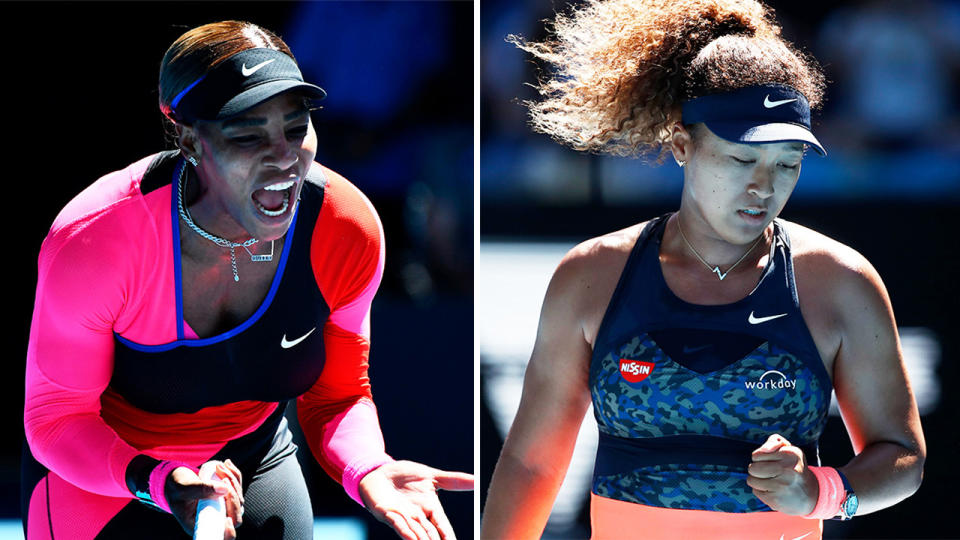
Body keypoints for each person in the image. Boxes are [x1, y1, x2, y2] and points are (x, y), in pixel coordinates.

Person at [480, 1, 925, 539]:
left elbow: (902, 458)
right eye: (742, 160)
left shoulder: (840, 281)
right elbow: (532, 464)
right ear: (682, 144)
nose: (764, 186)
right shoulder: (590, 276)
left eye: (788, 163)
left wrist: (822, 493)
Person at [22, 20, 473, 540]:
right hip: (108, 479)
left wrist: (368, 466)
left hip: (254, 462)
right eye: (247, 134)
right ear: (190, 139)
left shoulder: (346, 228)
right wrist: (162, 482)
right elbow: (57, 420)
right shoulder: (96, 240)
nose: (284, 156)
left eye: (296, 127)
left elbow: (338, 396)